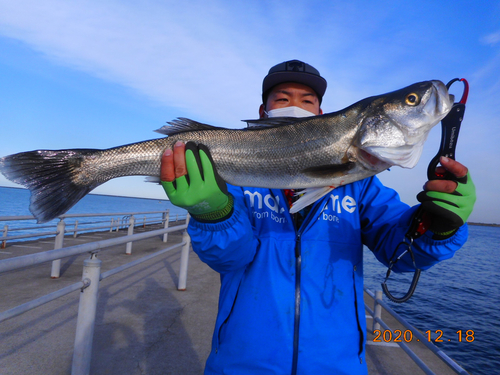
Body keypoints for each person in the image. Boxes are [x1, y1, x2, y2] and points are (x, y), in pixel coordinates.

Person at [160, 60, 476, 374]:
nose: (295, 106)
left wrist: (437, 226)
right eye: (282, 98)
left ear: (321, 115)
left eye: (307, 100)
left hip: (336, 366)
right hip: (243, 363)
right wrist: (213, 213)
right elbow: (230, 259)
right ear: (263, 113)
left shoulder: (360, 186)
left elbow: (400, 254)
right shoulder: (236, 184)